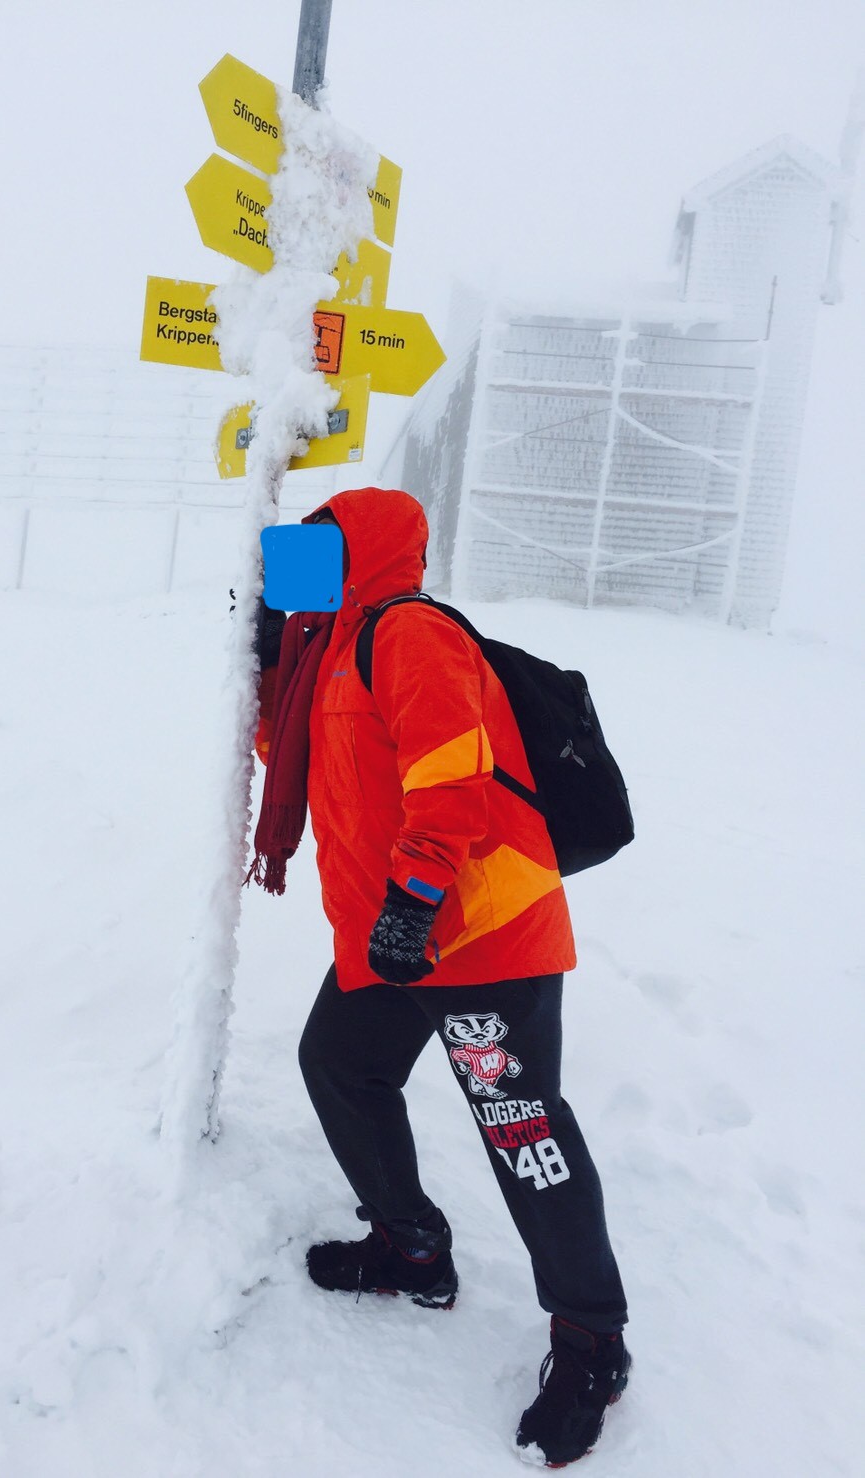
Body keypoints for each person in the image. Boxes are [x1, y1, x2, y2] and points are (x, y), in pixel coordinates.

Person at [249, 486, 630, 1468]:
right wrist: (268, 661)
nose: (300, 568)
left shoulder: (410, 632)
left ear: (362, 553)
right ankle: (410, 1246)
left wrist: (414, 898)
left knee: (523, 1130)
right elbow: (312, 763)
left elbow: (451, 774)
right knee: (340, 1064)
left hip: (476, 932)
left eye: (319, 548)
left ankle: (592, 1340)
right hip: (395, 937)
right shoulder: (333, 653)